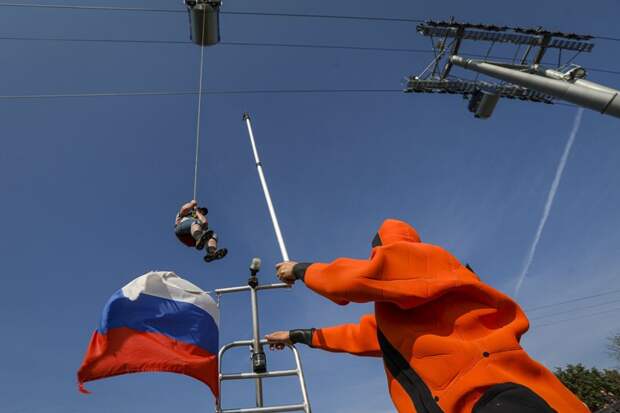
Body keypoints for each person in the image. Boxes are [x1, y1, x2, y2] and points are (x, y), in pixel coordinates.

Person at [266, 219, 589, 413]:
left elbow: (354, 279)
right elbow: (359, 336)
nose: (376, 257)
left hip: (497, 397)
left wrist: (303, 270)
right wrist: (298, 336)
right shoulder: (402, 309)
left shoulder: (424, 260)